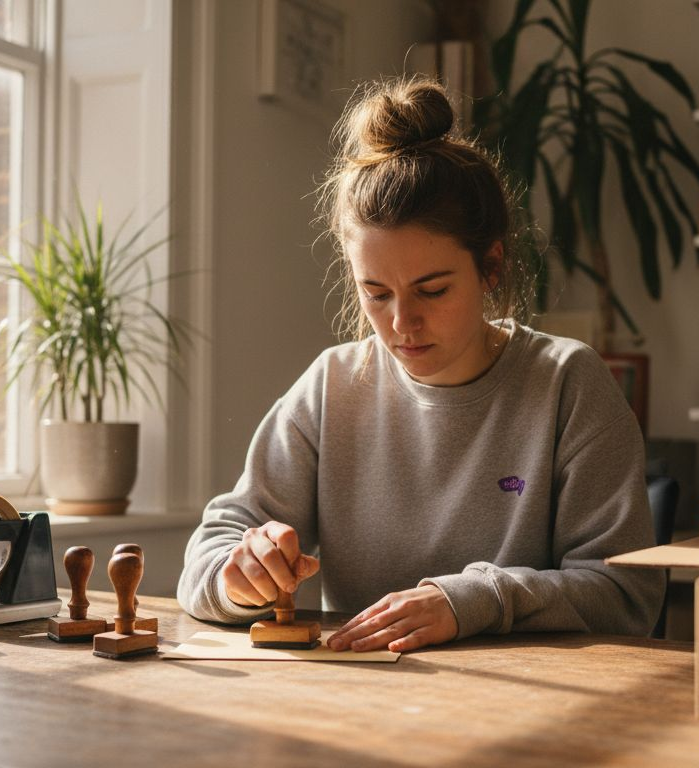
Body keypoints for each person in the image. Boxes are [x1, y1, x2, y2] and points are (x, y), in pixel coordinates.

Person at [177, 76, 662, 653]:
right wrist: (237, 577)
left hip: (529, 697)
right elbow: (209, 556)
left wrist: (471, 601)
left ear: (491, 267)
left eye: (432, 290)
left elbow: (625, 595)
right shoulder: (332, 385)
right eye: (376, 293)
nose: (402, 323)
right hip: (363, 692)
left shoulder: (567, 383)